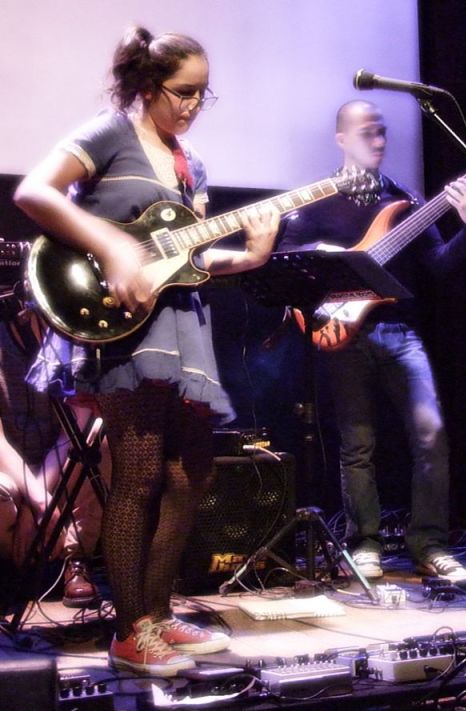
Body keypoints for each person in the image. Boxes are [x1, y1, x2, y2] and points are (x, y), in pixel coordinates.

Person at [14, 26, 279, 676]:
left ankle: (156, 615)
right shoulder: (110, 133)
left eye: (202, 95)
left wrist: (249, 257)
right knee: (138, 473)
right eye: (183, 92)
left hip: (180, 327)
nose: (193, 106)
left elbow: (189, 262)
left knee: (193, 474)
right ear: (147, 86)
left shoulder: (192, 166)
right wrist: (110, 245)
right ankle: (129, 630)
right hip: (124, 327)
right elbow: (34, 192)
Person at [277, 100, 466, 582]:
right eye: (368, 132)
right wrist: (327, 258)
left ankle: (430, 543)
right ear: (342, 139)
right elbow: (287, 260)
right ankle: (363, 544)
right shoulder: (318, 200)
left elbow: (440, 265)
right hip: (342, 331)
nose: (379, 141)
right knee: (357, 444)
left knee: (431, 434)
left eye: (383, 132)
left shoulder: (405, 199)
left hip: (400, 330)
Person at [0, 310, 109, 608]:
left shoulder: (77, 335)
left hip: (59, 471)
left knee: (102, 443)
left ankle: (75, 562)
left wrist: (39, 506)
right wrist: (37, 502)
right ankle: (11, 571)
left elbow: (75, 431)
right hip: (9, 473)